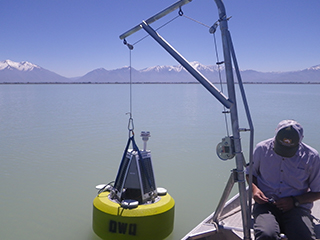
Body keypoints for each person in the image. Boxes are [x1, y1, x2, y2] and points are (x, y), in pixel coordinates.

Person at [247, 120, 320, 240]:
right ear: (275, 134)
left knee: (304, 236)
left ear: (301, 139)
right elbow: (250, 173)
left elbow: (318, 191)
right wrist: (255, 190)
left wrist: (294, 201)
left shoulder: (312, 157)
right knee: (266, 235)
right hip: (266, 205)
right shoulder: (261, 149)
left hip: (297, 208)